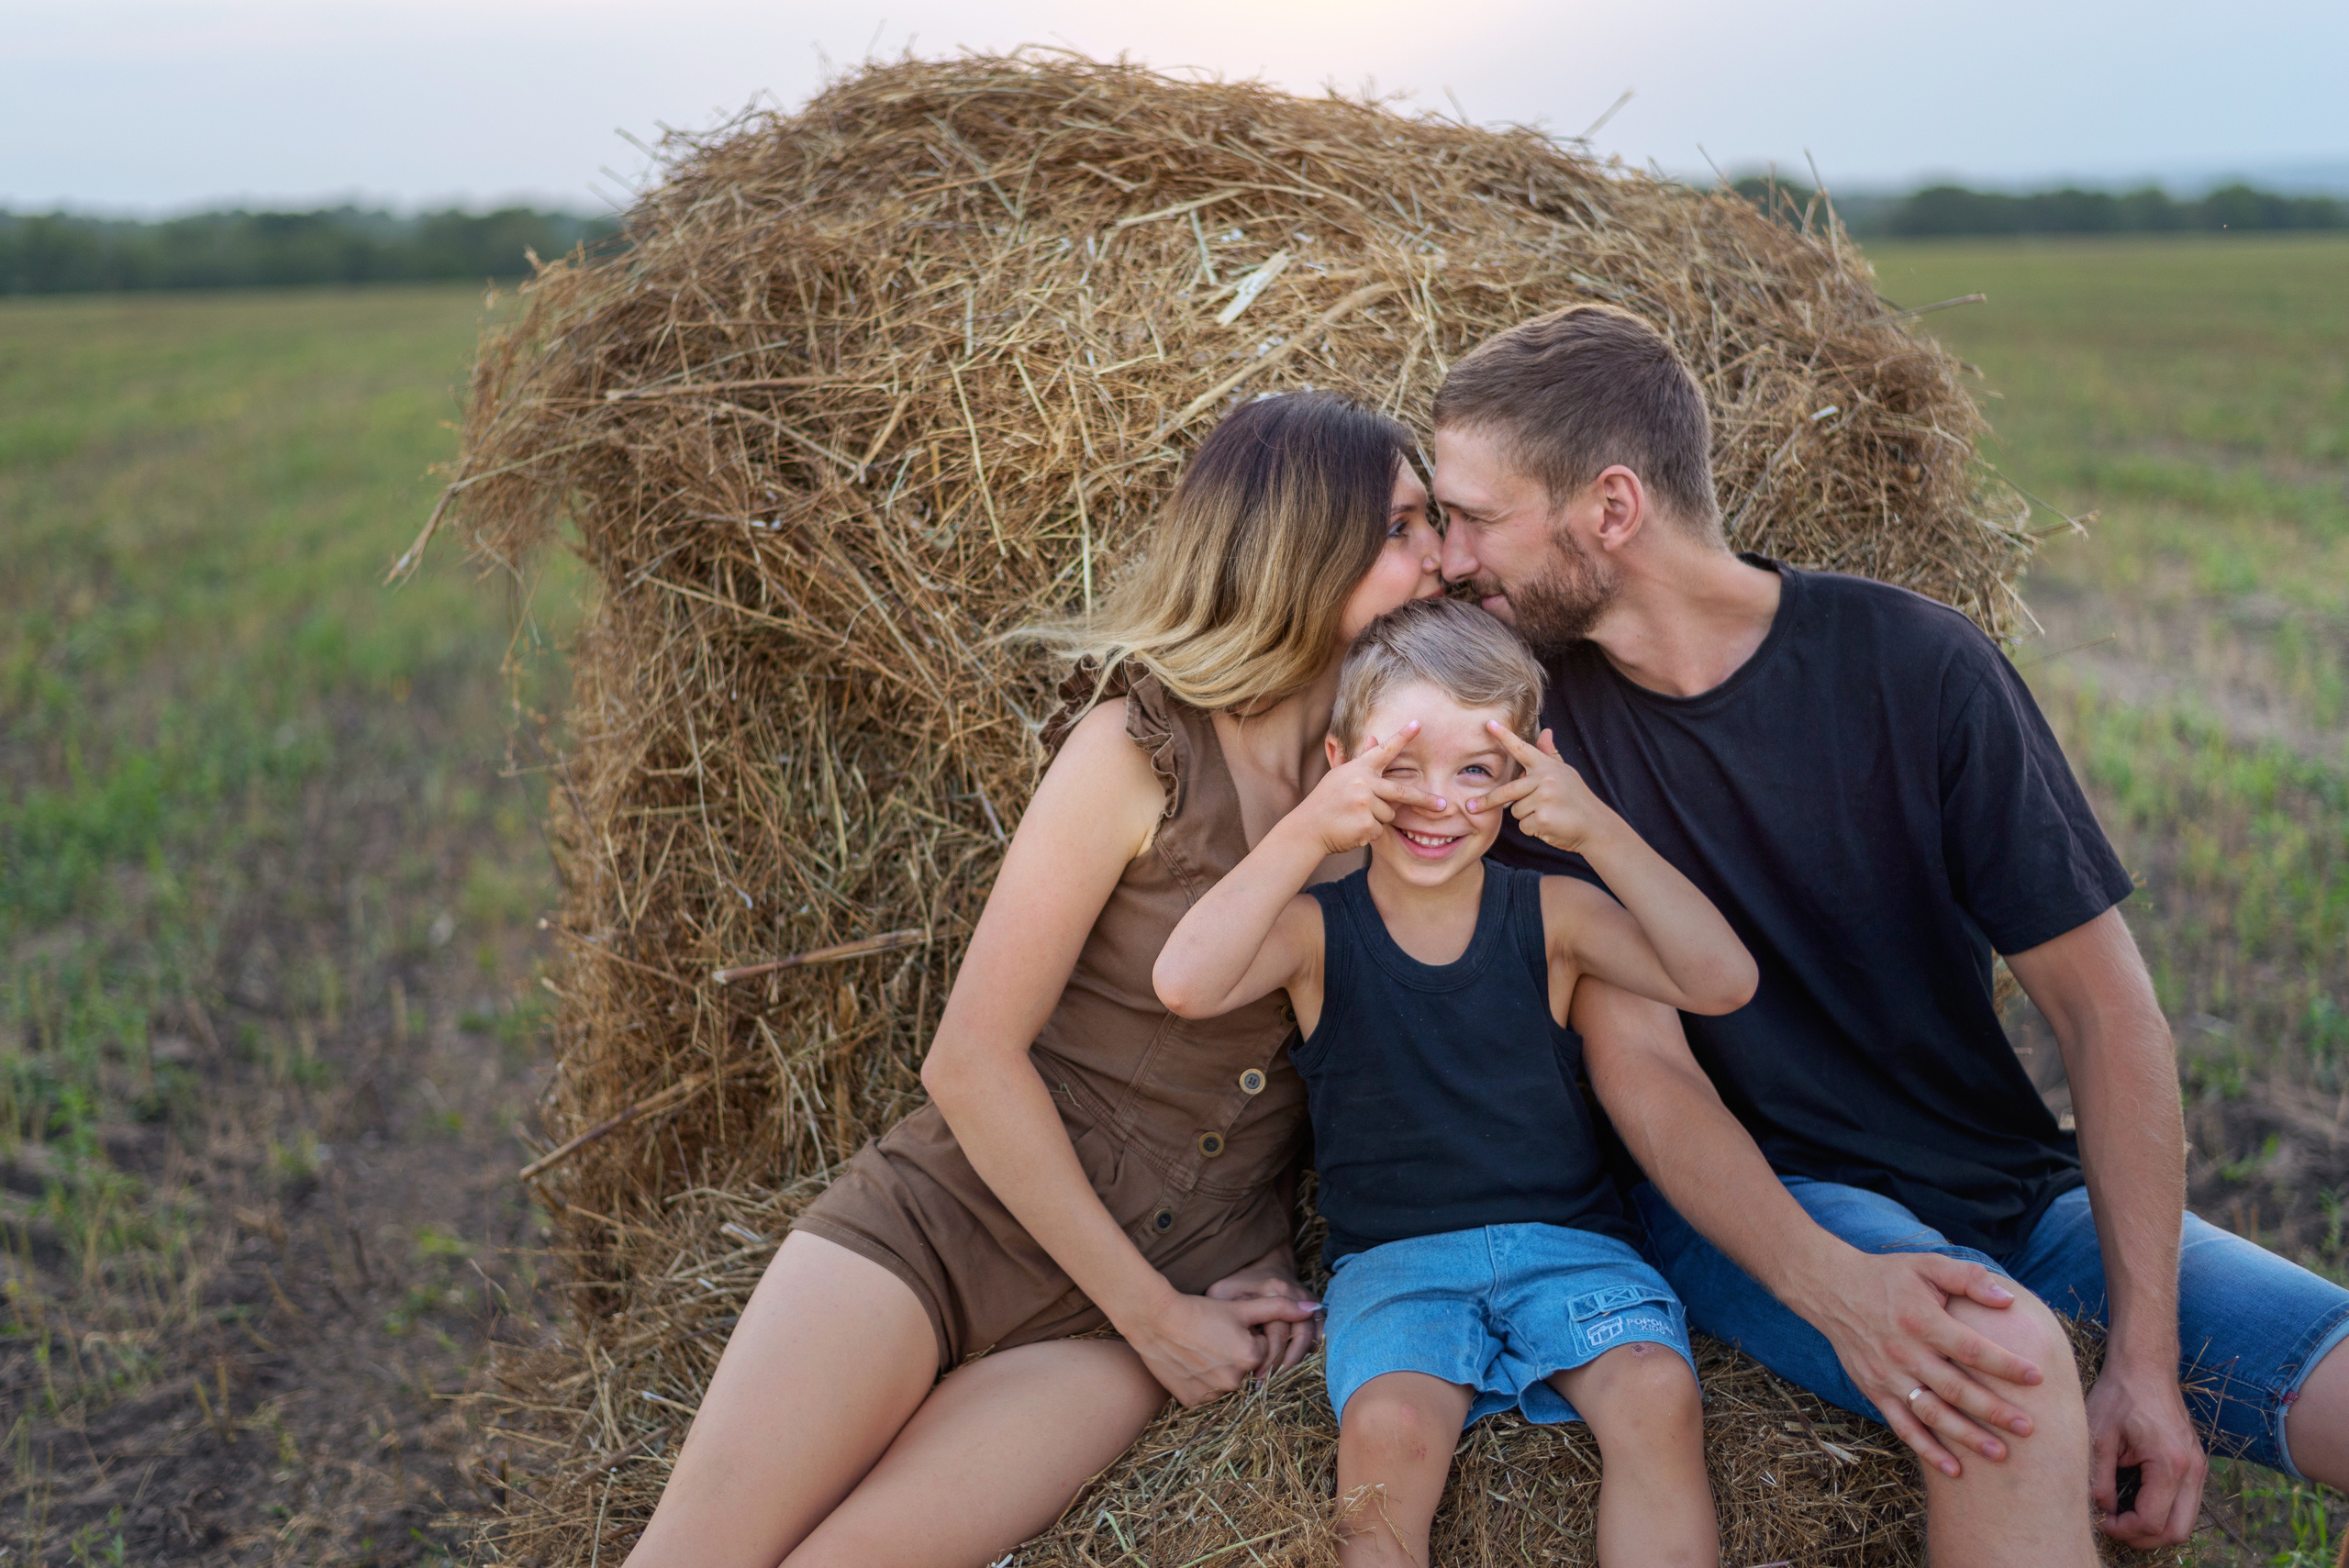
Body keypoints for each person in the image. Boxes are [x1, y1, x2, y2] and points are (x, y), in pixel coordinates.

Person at [1429, 301, 2349, 1562]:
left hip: (2011, 1185)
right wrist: (1826, 1281)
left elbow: (2105, 1008)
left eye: (1474, 517)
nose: (1446, 556)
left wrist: (2144, 1357)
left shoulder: (1918, 663)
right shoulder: (1533, 736)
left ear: (1611, 508)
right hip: (1751, 1204)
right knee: (2005, 1380)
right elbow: (1641, 1066)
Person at [622, 392, 1448, 1568]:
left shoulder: (1410, 803)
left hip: (1140, 1311)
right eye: (1403, 528)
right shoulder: (1132, 753)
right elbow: (968, 1058)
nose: (1441, 557)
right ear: (1300, 552)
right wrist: (1155, 1317)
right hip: (954, 1222)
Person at [1154, 596, 1756, 1568]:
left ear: (1527, 768)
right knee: (1387, 1434)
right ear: (1342, 762)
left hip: (1573, 1250)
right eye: (1399, 768)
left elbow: (1722, 980)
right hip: (1396, 1266)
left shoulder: (1555, 912)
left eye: (1476, 769)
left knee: (1654, 1390)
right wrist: (1309, 830)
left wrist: (1594, 826)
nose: (1439, 802)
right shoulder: (1317, 930)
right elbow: (1183, 983)